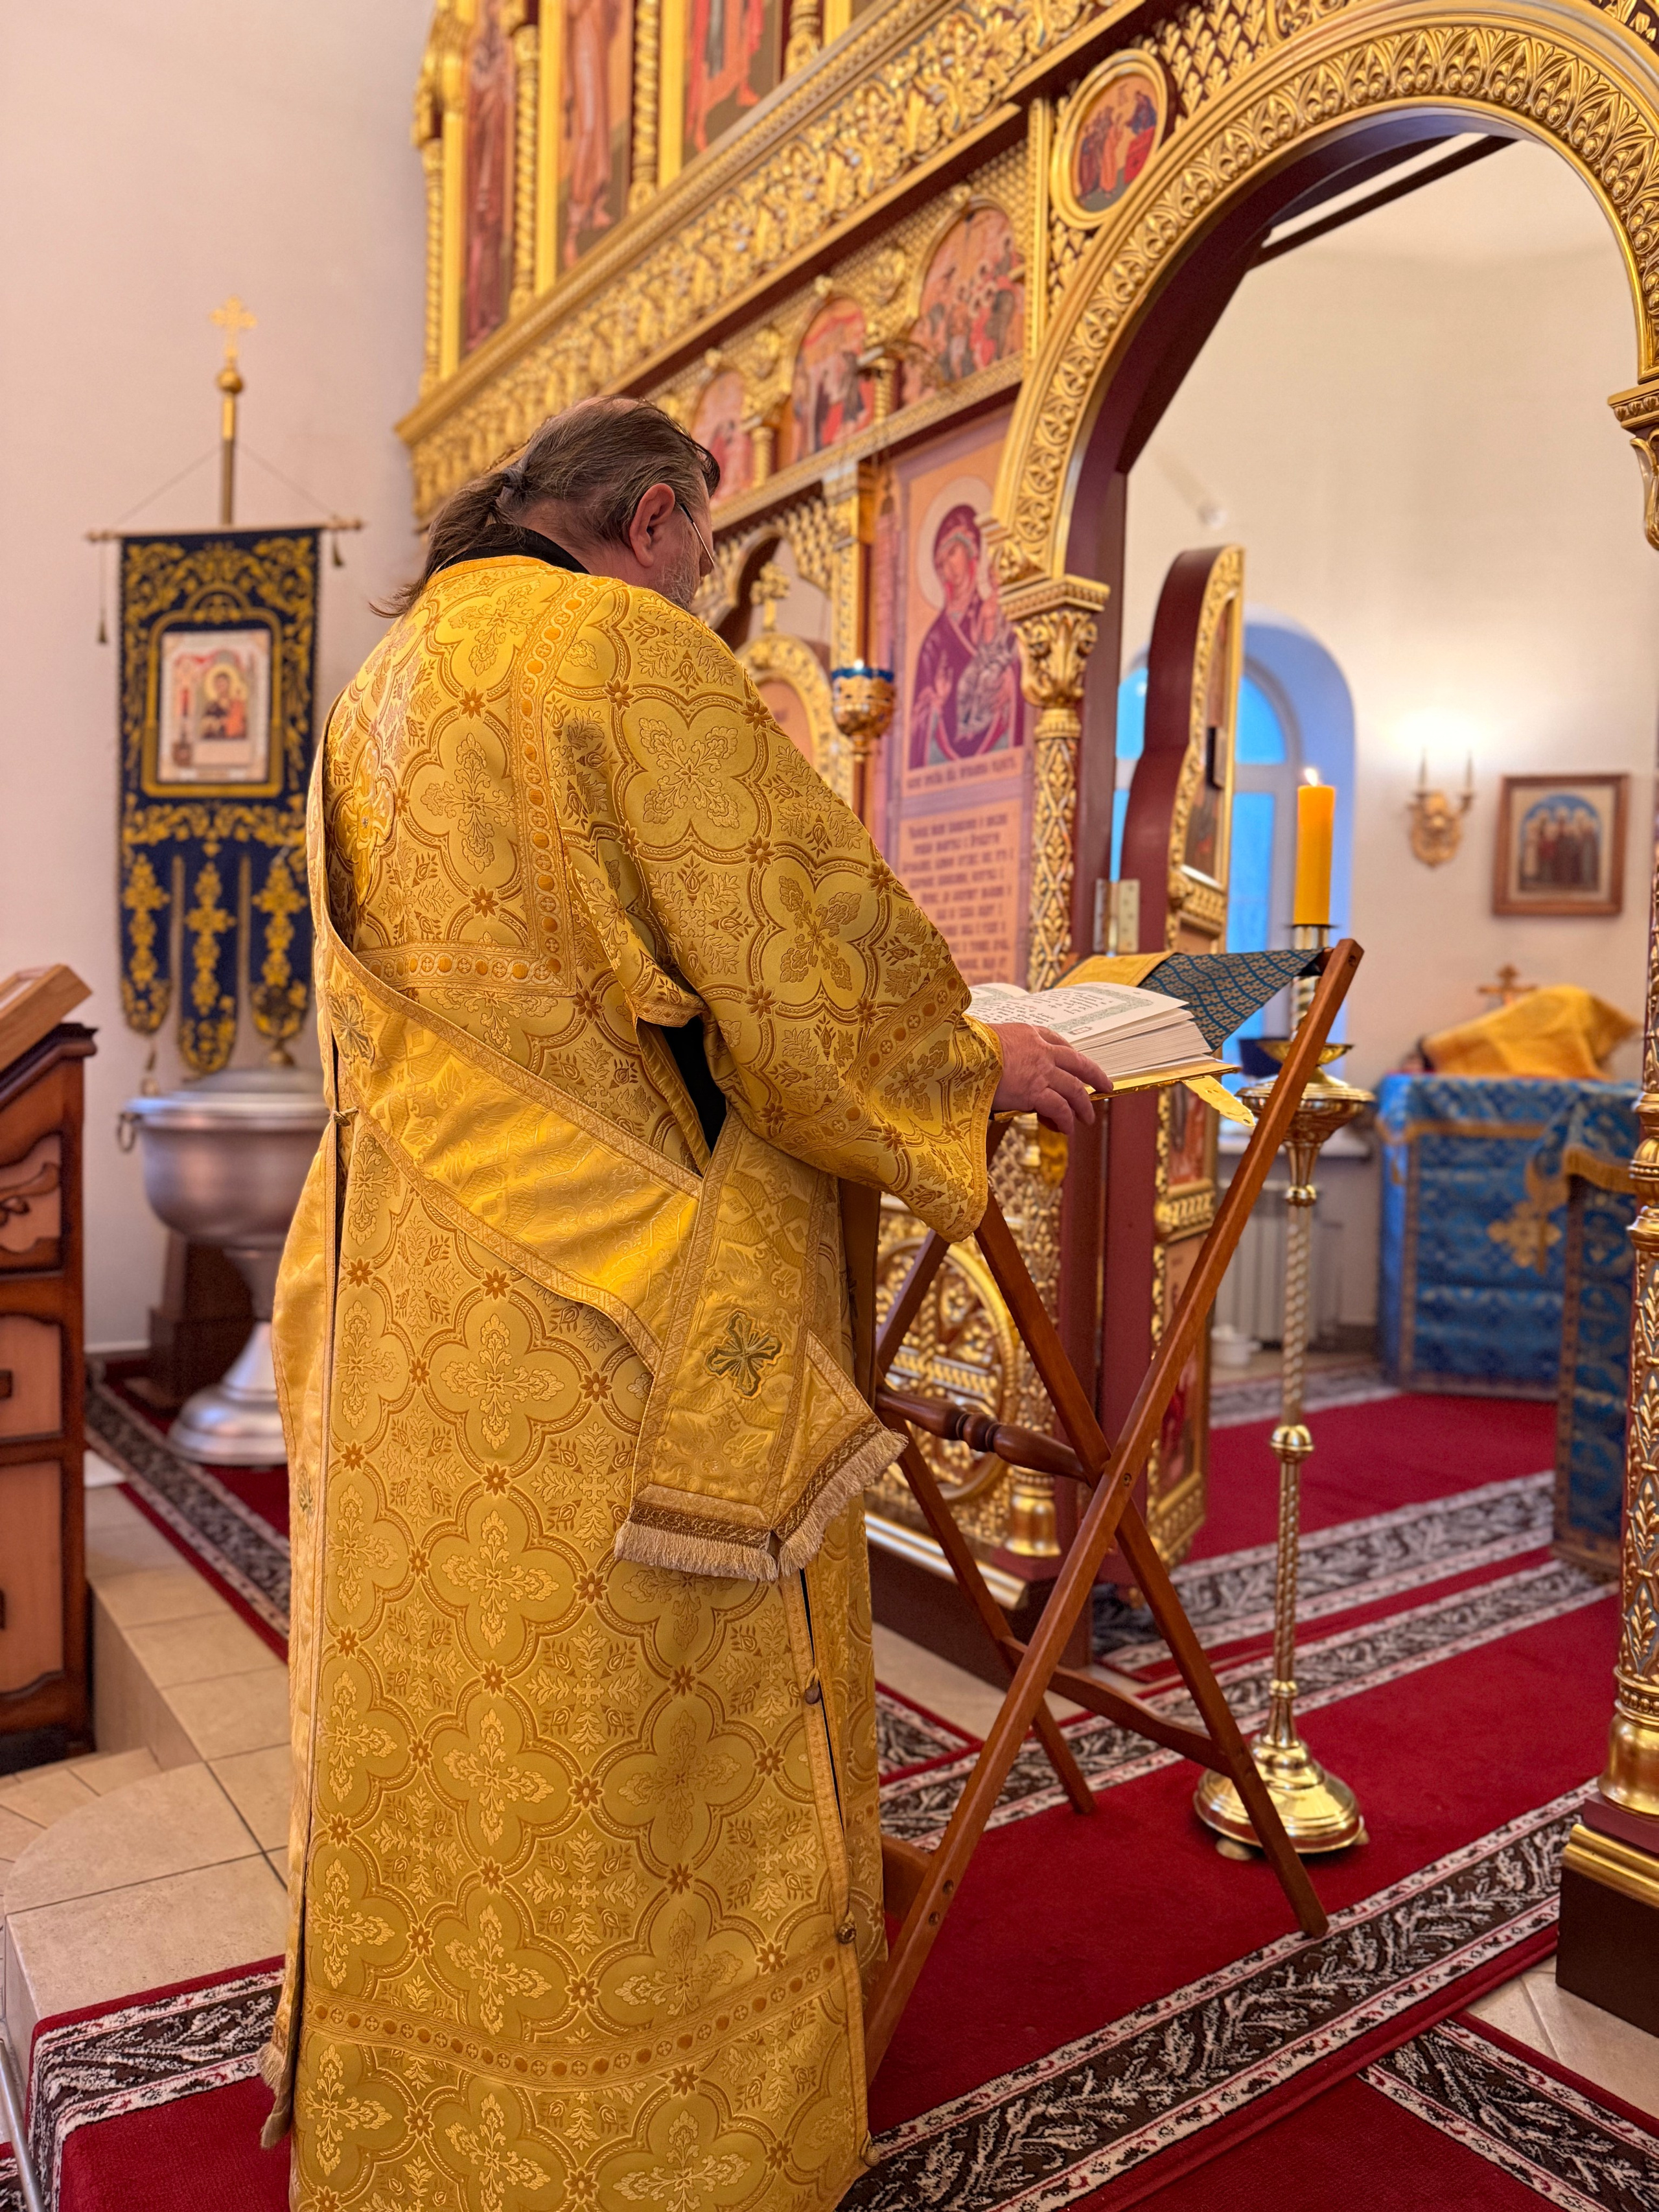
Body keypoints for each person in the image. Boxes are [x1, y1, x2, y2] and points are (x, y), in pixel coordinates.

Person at [260, 395, 1106, 2211]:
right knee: (624, 1737)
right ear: (651, 522)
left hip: (414, 1301)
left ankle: (430, 2128)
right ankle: (648, 2145)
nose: (694, 588)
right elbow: (799, 969)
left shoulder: (381, 690)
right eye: (700, 556)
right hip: (606, 1322)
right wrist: (972, 1062)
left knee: (465, 1726)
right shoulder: (617, 653)